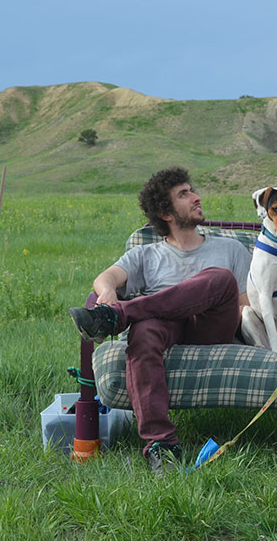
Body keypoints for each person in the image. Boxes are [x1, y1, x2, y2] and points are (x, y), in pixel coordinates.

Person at [69, 166, 251, 475]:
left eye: (192, 190)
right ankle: (162, 445)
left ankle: (117, 316)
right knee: (143, 331)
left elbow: (245, 306)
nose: (196, 197)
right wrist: (108, 290)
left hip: (211, 326)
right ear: (166, 213)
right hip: (164, 329)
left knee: (220, 278)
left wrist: (201, 298)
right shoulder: (146, 254)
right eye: (184, 194)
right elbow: (105, 277)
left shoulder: (230, 248)